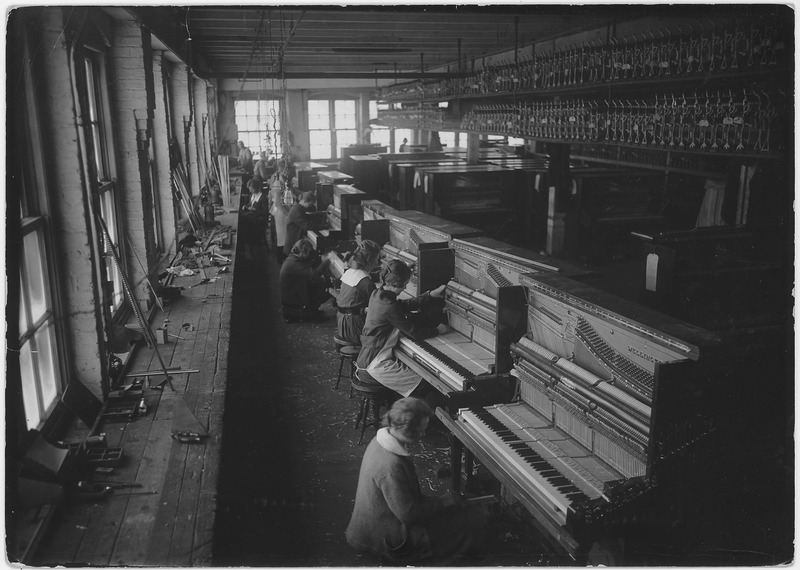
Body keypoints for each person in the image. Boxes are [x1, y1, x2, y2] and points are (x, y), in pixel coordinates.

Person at [346, 397, 487, 565]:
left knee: (458, 513)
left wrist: (440, 502)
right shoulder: (390, 465)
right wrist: (442, 502)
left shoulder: (380, 440)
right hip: (381, 535)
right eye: (421, 430)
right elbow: (408, 515)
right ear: (407, 428)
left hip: (376, 520)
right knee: (467, 523)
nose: (423, 434)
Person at [355, 259, 448, 400]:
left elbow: (404, 305)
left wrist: (430, 295)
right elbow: (414, 332)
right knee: (426, 386)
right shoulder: (388, 305)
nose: (405, 288)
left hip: (365, 358)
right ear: (396, 284)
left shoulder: (378, 294)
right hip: (375, 365)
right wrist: (438, 331)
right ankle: (418, 418)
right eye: (404, 285)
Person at [335, 240, 382, 345]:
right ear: (370, 260)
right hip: (353, 328)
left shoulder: (350, 272)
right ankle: (370, 359)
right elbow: (380, 304)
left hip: (342, 323)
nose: (378, 262)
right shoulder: (366, 283)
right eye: (377, 258)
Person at [279, 238, 331, 322]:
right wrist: (328, 259)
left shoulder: (292, 257)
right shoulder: (293, 263)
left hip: (293, 295)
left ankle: (312, 310)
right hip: (292, 300)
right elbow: (314, 274)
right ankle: (310, 312)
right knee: (321, 284)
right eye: (308, 252)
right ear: (303, 252)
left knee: (319, 283)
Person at [283, 191, 326, 258]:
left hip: (296, 243)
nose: (310, 206)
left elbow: (308, 216)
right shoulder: (296, 210)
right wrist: (324, 226)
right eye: (310, 204)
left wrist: (322, 213)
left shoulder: (298, 207)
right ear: (304, 201)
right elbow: (307, 226)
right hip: (293, 247)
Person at [239, 178, 270, 257]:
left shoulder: (263, 198)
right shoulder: (253, 195)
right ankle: (244, 245)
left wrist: (254, 209)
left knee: (242, 222)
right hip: (253, 216)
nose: (250, 191)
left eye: (251, 189)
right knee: (240, 216)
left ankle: (246, 244)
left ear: (256, 188)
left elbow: (265, 213)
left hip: (260, 220)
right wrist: (246, 207)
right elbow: (250, 204)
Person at [268, 173, 290, 264]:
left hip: (281, 211)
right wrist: (288, 215)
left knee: (282, 236)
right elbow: (277, 202)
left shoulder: (280, 181)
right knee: (282, 237)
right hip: (281, 212)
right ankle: (281, 258)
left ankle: (281, 257)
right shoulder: (278, 183)